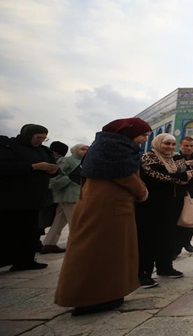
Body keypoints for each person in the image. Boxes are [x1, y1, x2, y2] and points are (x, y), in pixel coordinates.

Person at [54, 117, 150, 316]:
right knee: (99, 252)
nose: (143, 139)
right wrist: (143, 192)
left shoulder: (105, 145)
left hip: (103, 205)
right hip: (107, 208)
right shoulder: (114, 148)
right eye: (142, 135)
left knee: (106, 253)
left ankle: (106, 294)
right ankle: (91, 298)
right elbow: (124, 175)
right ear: (129, 133)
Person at [137, 133, 193, 287]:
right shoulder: (149, 157)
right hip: (152, 205)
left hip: (173, 203)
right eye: (166, 144)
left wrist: (179, 177)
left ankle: (165, 267)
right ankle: (144, 273)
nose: (170, 147)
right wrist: (179, 177)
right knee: (149, 239)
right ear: (157, 143)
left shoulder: (176, 158)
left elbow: (190, 174)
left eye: (172, 144)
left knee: (168, 236)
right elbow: (155, 177)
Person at [0, 124, 58, 271]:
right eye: (38, 137)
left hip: (34, 199)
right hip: (12, 199)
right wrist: (33, 166)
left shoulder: (43, 150)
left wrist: (53, 170)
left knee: (30, 232)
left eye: (44, 138)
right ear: (28, 135)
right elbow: (5, 168)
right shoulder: (9, 146)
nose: (40, 141)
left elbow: (53, 166)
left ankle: (25, 261)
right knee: (10, 231)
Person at [42, 144, 89, 254]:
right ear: (76, 150)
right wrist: (70, 178)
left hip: (73, 194)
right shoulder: (67, 161)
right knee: (75, 220)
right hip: (69, 194)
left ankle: (49, 243)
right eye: (82, 149)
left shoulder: (83, 162)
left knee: (59, 220)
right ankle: (76, 244)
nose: (85, 151)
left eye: (87, 150)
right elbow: (55, 175)